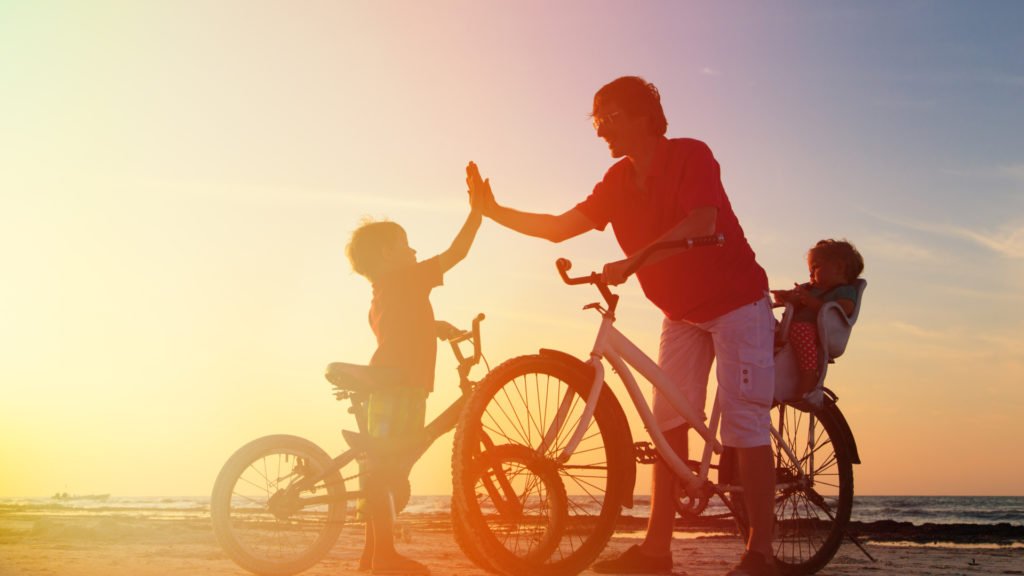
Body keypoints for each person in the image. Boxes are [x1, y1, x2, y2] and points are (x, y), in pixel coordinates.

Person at [467, 76, 778, 576]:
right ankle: (657, 551)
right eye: (596, 120)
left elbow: (702, 221)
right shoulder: (617, 181)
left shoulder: (690, 155)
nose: (600, 131)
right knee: (667, 426)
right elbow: (558, 227)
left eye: (609, 118)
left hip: (737, 303)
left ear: (643, 116)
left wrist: (635, 259)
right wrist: (493, 211)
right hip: (681, 313)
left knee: (745, 422)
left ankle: (760, 553)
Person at [344, 186, 483, 575]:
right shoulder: (407, 279)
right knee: (388, 468)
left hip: (399, 386)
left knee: (388, 468)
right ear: (389, 255)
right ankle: (384, 556)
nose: (415, 252)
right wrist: (478, 213)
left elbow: (403, 328)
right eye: (407, 246)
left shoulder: (385, 292)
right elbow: (457, 254)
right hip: (400, 388)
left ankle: (372, 556)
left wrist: (436, 326)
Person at [771, 239, 864, 396]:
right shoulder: (810, 288)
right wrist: (786, 297)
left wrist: (812, 302)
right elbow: (794, 300)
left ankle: (809, 373)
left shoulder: (844, 291)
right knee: (763, 325)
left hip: (817, 332)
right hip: (789, 329)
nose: (810, 273)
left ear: (838, 267)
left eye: (815, 267)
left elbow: (843, 310)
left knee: (801, 330)